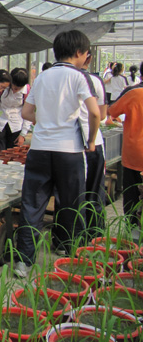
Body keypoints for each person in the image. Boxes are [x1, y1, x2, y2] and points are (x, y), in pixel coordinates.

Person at [15, 30, 100, 278]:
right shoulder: (78, 77)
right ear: (79, 53)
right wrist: (91, 141)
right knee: (72, 204)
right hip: (69, 151)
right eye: (86, 54)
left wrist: (45, 121)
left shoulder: (42, 77)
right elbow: (95, 113)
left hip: (40, 149)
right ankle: (69, 256)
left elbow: (26, 113)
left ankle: (23, 262)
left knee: (32, 205)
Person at [79, 53, 107, 239]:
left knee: (70, 193)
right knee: (94, 191)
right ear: (87, 58)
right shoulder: (95, 81)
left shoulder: (54, 78)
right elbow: (101, 115)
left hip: (68, 146)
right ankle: (94, 235)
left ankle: (68, 238)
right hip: (93, 141)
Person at [109, 81, 143, 228]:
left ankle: (131, 230)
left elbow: (112, 111)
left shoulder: (133, 93)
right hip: (134, 154)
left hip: (134, 154)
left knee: (131, 195)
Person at [0, 67, 31, 153]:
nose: (15, 90)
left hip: (16, 125)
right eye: (14, 87)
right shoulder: (2, 87)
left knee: (13, 153)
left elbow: (27, 112)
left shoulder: (27, 91)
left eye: (18, 88)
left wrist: (23, 134)